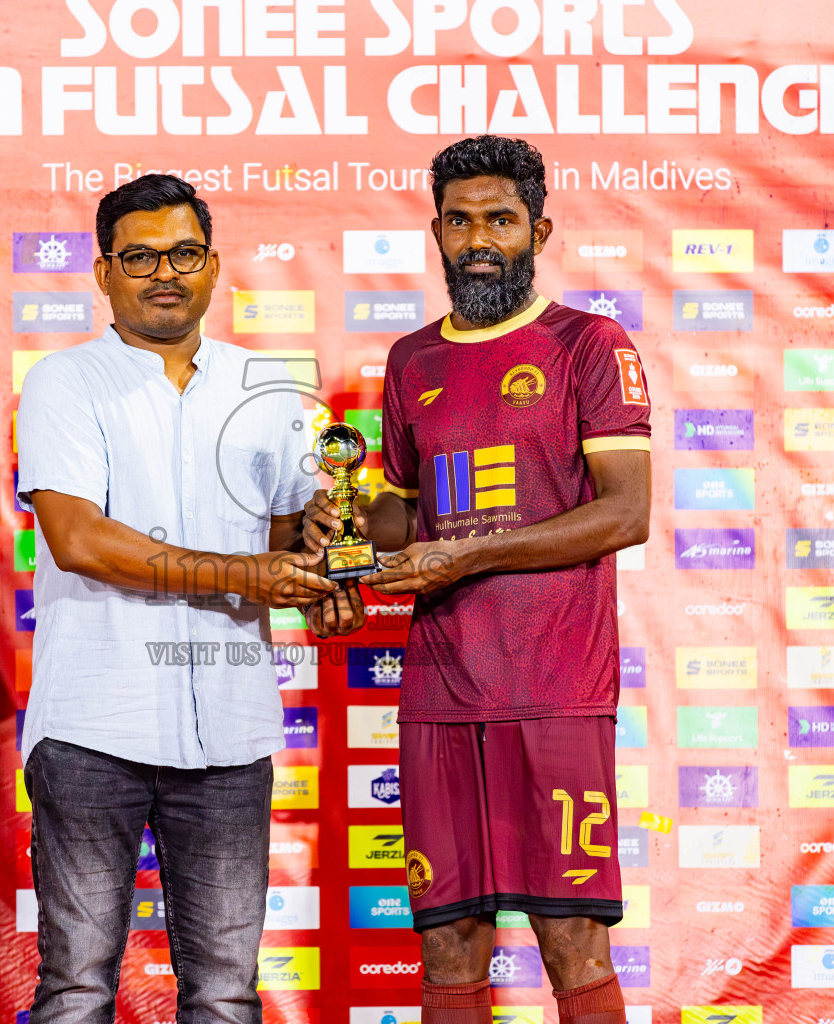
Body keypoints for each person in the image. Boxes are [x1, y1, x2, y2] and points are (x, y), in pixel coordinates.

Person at [303, 136, 651, 1024]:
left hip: (556, 687)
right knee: (449, 940)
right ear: (436, 233)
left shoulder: (590, 344)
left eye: (499, 219)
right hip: (441, 689)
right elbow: (405, 517)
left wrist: (466, 556)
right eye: (459, 222)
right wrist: (340, 528)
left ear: (537, 228)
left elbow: (624, 513)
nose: (479, 239)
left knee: (572, 938)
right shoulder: (411, 361)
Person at [16, 173, 355, 1024]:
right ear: (103, 274)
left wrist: (323, 555)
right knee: (78, 988)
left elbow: (291, 540)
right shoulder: (65, 381)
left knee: (227, 995)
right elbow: (80, 540)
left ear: (214, 266)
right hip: (93, 727)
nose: (164, 272)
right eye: (139, 256)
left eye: (184, 253)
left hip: (230, 736)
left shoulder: (266, 387)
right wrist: (247, 576)